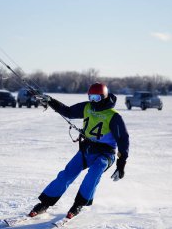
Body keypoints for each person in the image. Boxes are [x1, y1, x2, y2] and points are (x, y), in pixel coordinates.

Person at [29, 82, 129, 219]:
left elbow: (123, 139)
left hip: (105, 153)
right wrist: (51, 101)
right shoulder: (87, 107)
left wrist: (121, 163)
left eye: (96, 98)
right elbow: (68, 112)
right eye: (91, 97)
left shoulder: (114, 116)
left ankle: (79, 204)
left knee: (93, 173)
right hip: (87, 149)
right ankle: (45, 203)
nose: (93, 101)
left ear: (104, 97)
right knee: (67, 174)